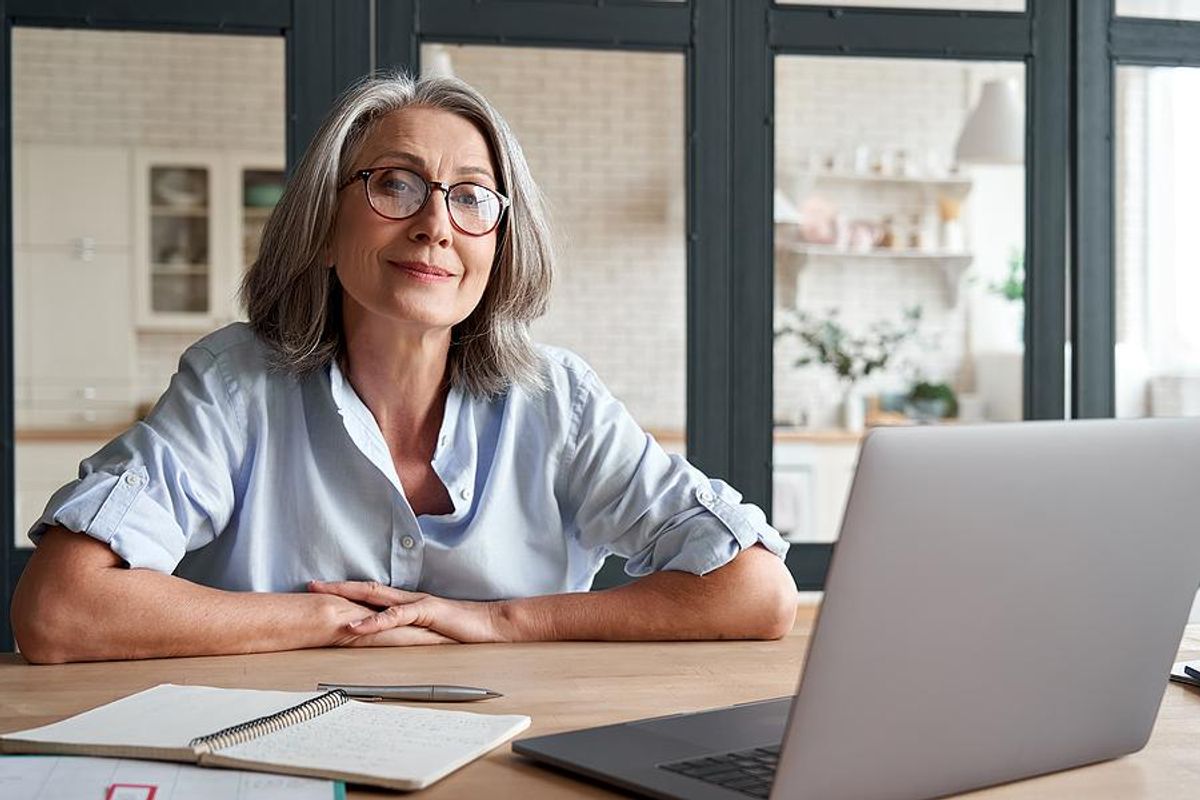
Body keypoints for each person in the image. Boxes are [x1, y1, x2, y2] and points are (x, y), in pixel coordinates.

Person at [11, 74, 796, 664]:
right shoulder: (234, 382)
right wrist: (336, 620)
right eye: (396, 184)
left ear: (499, 242)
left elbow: (756, 593)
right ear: (324, 224)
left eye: (472, 198)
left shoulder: (558, 399)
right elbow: (59, 610)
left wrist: (495, 621)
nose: (435, 225)